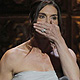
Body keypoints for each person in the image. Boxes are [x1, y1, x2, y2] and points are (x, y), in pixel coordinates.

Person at [0, 0, 80, 80]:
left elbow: (74, 79)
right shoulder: (12, 56)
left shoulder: (68, 54)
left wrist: (59, 40)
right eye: (42, 16)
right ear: (32, 20)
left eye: (54, 17)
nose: (48, 22)